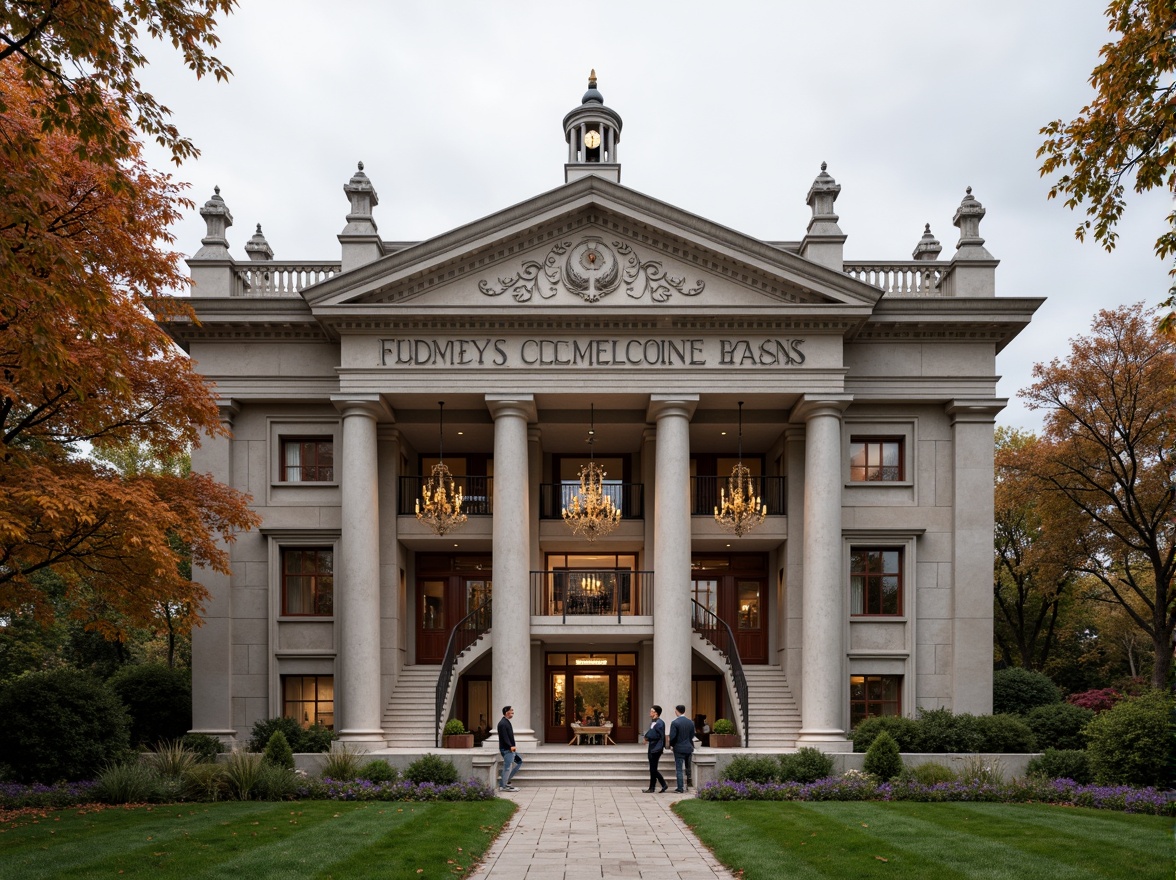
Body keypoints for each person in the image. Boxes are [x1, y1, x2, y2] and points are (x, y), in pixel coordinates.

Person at [668, 705, 696, 793]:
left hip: (679, 748)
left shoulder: (675, 723)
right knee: (688, 768)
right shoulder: (691, 722)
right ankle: (689, 784)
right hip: (688, 748)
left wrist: (672, 745)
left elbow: (672, 737)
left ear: (677, 711)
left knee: (679, 769)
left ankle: (680, 788)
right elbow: (692, 735)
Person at [642, 705, 667, 793]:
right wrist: (647, 737)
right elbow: (652, 733)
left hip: (656, 748)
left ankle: (663, 784)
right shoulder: (654, 722)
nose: (650, 712)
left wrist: (646, 737)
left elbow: (656, 735)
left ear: (656, 713)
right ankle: (652, 787)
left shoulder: (659, 723)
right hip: (653, 747)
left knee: (653, 769)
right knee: (653, 768)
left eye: (651, 711)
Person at [497, 705, 522, 792]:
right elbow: (504, 737)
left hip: (510, 749)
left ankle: (505, 781)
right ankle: (503, 786)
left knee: (519, 761)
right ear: (506, 712)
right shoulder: (502, 723)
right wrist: (510, 747)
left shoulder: (506, 722)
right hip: (507, 749)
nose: (513, 712)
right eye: (511, 710)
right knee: (507, 767)